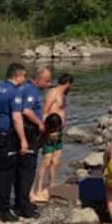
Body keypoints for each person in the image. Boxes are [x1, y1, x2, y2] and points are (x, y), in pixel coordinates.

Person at [0, 63, 29, 221]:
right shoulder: (14, 93)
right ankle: (3, 208)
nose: (25, 78)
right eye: (24, 75)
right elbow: (16, 118)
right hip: (5, 136)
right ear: (17, 76)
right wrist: (23, 140)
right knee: (6, 172)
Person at [12, 66, 47, 219]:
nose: (48, 83)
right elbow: (26, 111)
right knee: (27, 169)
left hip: (19, 132)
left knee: (19, 169)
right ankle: (24, 205)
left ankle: (19, 202)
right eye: (47, 81)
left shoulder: (22, 88)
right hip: (28, 131)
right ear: (38, 80)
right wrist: (40, 123)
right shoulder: (31, 90)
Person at [35, 73, 74, 203]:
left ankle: (52, 188)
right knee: (46, 161)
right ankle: (39, 190)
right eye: (71, 85)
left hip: (59, 130)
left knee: (56, 161)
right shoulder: (53, 93)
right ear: (68, 83)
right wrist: (49, 131)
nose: (71, 88)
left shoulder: (61, 94)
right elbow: (45, 111)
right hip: (51, 130)